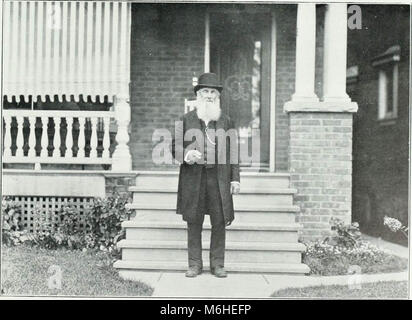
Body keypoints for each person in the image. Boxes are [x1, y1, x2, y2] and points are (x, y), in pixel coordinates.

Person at [171, 72, 240, 278]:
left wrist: (235, 178)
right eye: (205, 91)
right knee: (194, 221)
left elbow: (234, 151)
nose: (209, 95)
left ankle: (218, 264)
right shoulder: (185, 120)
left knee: (219, 221)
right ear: (198, 95)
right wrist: (187, 154)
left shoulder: (226, 121)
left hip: (219, 178)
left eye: (213, 92)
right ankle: (194, 264)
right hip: (194, 178)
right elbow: (173, 147)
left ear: (217, 96)